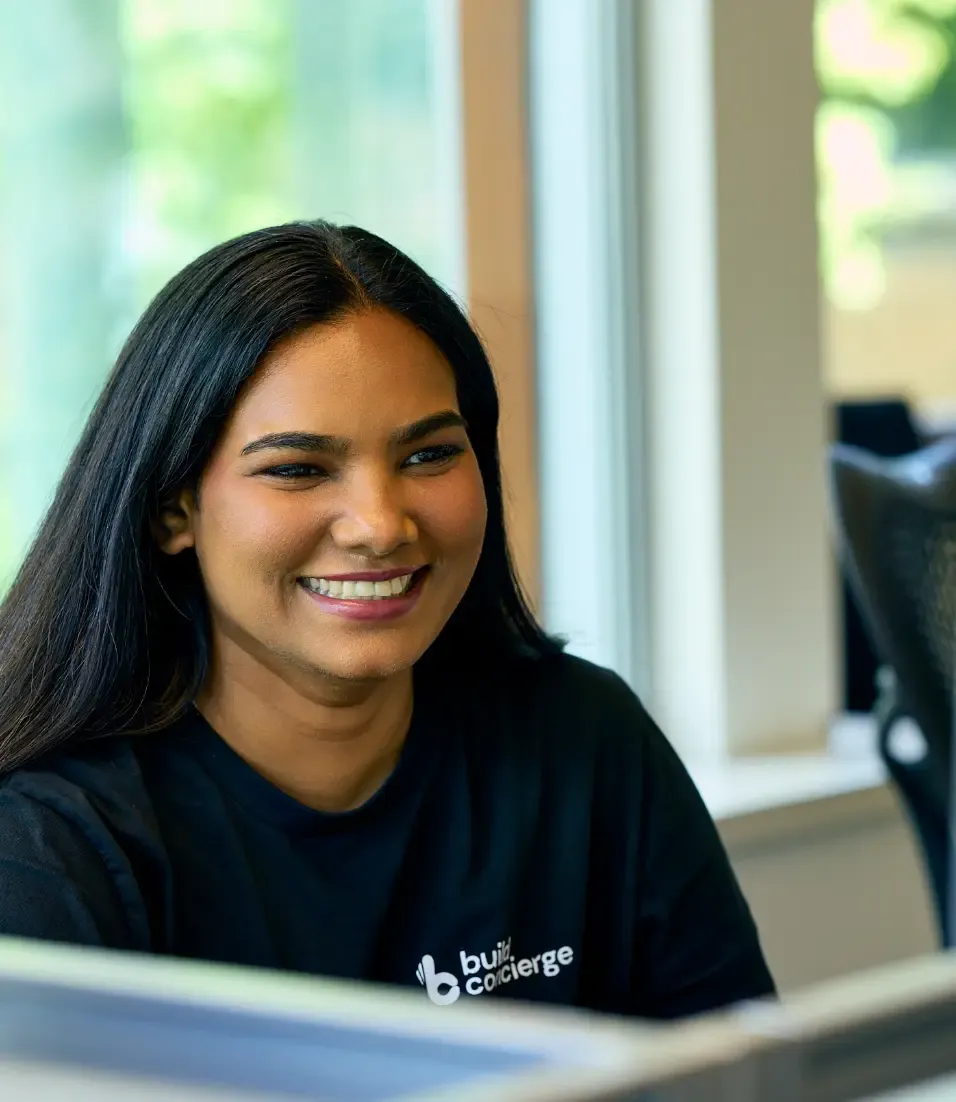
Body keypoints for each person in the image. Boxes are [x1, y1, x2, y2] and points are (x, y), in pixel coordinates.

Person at [0, 221, 774, 1018]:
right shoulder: (49, 849)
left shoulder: (584, 740)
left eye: (429, 455)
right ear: (173, 510)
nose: (380, 524)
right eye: (298, 469)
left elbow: (746, 1078)